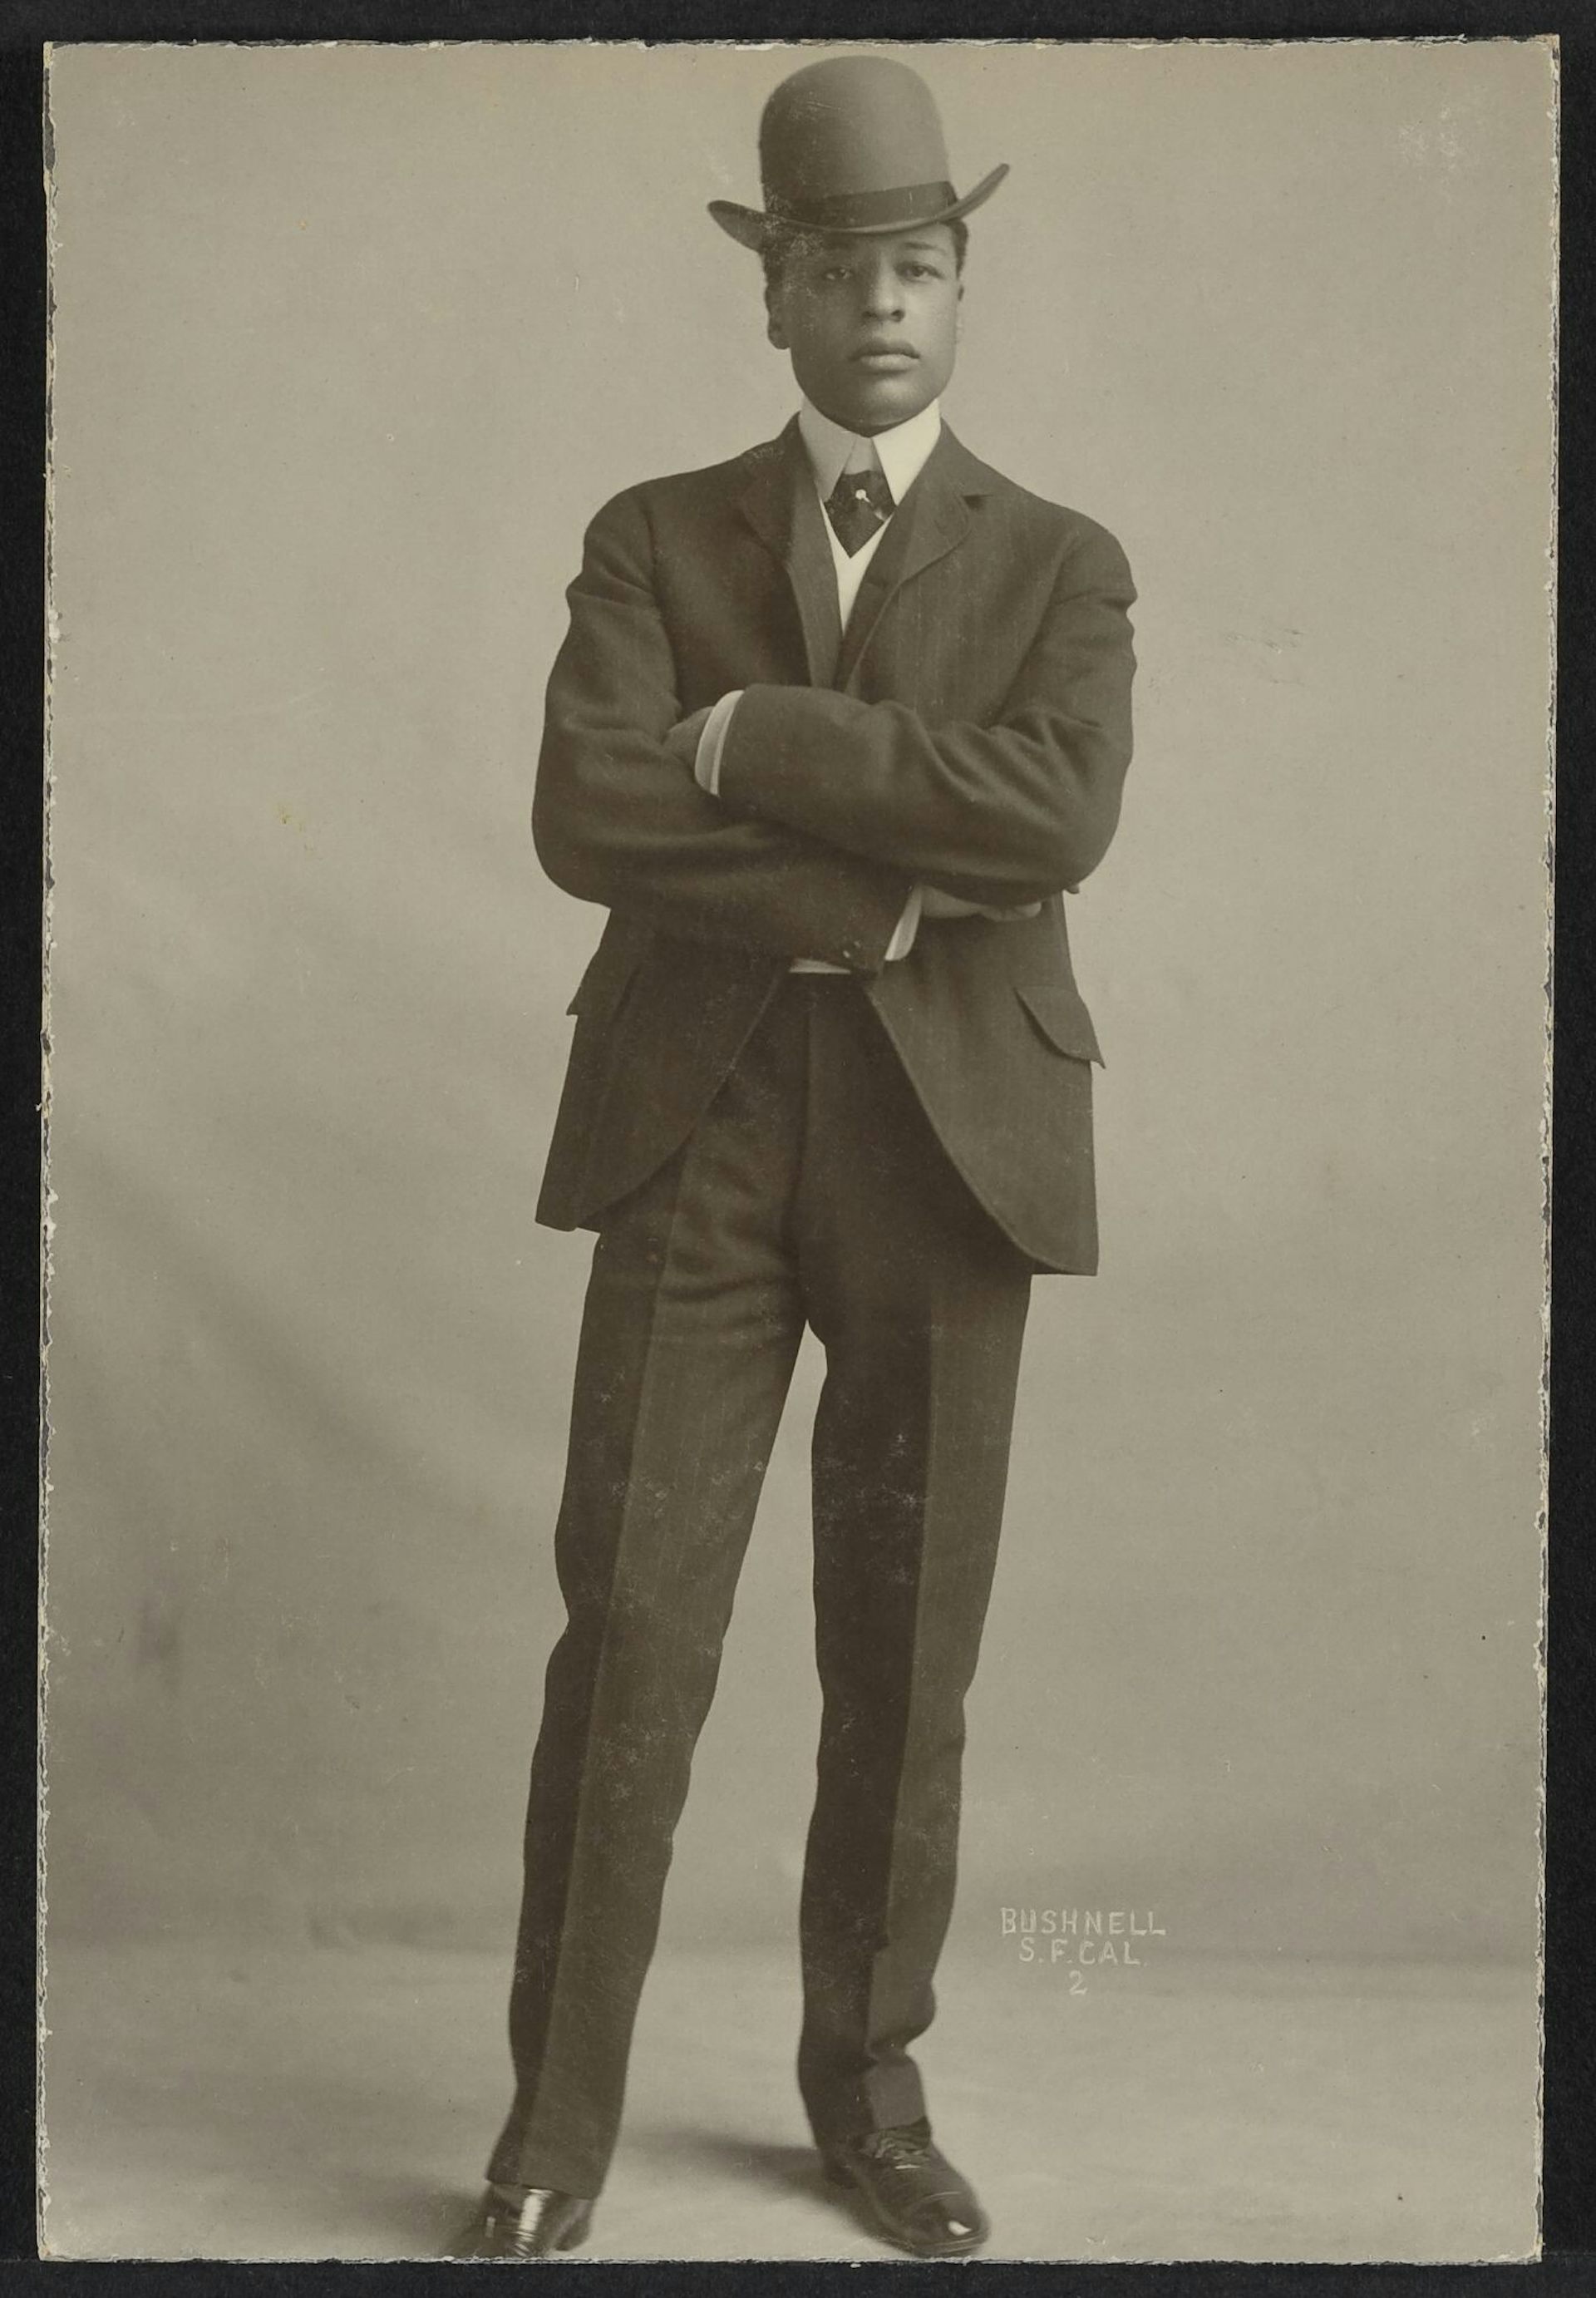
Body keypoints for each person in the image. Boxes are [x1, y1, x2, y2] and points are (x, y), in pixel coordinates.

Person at [460, 52, 1136, 2261]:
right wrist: (862, 879)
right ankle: (553, 2126)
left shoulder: (1062, 560)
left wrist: (765, 740)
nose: (882, 306)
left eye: (922, 266)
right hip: (703, 1126)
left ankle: (869, 2095)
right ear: (775, 298)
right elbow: (592, 813)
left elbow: (1051, 817)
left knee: (903, 1646)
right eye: (840, 268)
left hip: (959, 1147)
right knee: (634, 1622)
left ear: (965, 289)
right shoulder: (651, 534)